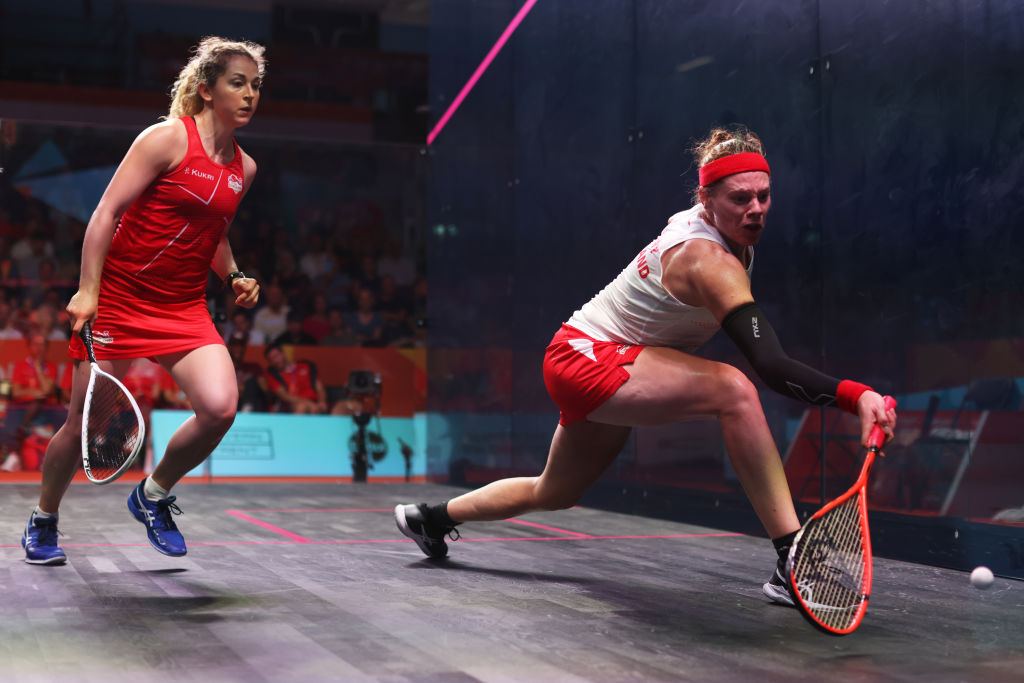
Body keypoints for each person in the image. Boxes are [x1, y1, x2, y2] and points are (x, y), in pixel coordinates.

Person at [394, 125, 898, 607]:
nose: (756, 209)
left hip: (587, 356)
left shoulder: (722, 235)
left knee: (555, 490)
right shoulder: (709, 261)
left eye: (763, 195)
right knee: (735, 390)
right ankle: (793, 558)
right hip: (586, 358)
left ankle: (431, 518)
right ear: (706, 201)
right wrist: (858, 396)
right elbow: (769, 363)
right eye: (739, 199)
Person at [20, 36, 265, 565]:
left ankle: (151, 494)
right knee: (81, 425)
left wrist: (235, 275)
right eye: (237, 83)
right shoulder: (165, 140)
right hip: (121, 301)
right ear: (206, 89)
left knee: (220, 408)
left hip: (183, 309)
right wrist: (88, 290)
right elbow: (105, 213)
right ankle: (43, 520)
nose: (249, 95)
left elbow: (215, 233)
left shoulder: (243, 169)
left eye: (255, 86)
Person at [263, 343, 328, 414]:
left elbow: (319, 388)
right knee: (301, 407)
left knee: (318, 408)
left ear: (283, 353)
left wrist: (322, 402)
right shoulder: (272, 374)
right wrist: (308, 403)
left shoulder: (306, 365)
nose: (275, 361)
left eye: (276, 356)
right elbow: (284, 396)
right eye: (271, 359)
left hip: (314, 401)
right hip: (292, 404)